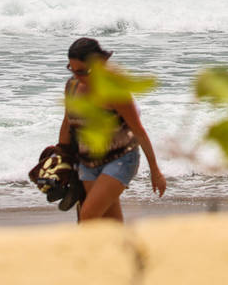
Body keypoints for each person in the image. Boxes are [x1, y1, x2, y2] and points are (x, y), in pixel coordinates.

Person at [58, 38, 166, 221]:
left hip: (121, 159)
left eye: (83, 71)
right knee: (110, 222)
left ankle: (79, 250)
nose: (78, 77)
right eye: (72, 70)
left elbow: (138, 131)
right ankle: (127, 249)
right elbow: (67, 123)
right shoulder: (72, 87)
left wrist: (155, 171)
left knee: (88, 216)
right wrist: (61, 158)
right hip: (87, 161)